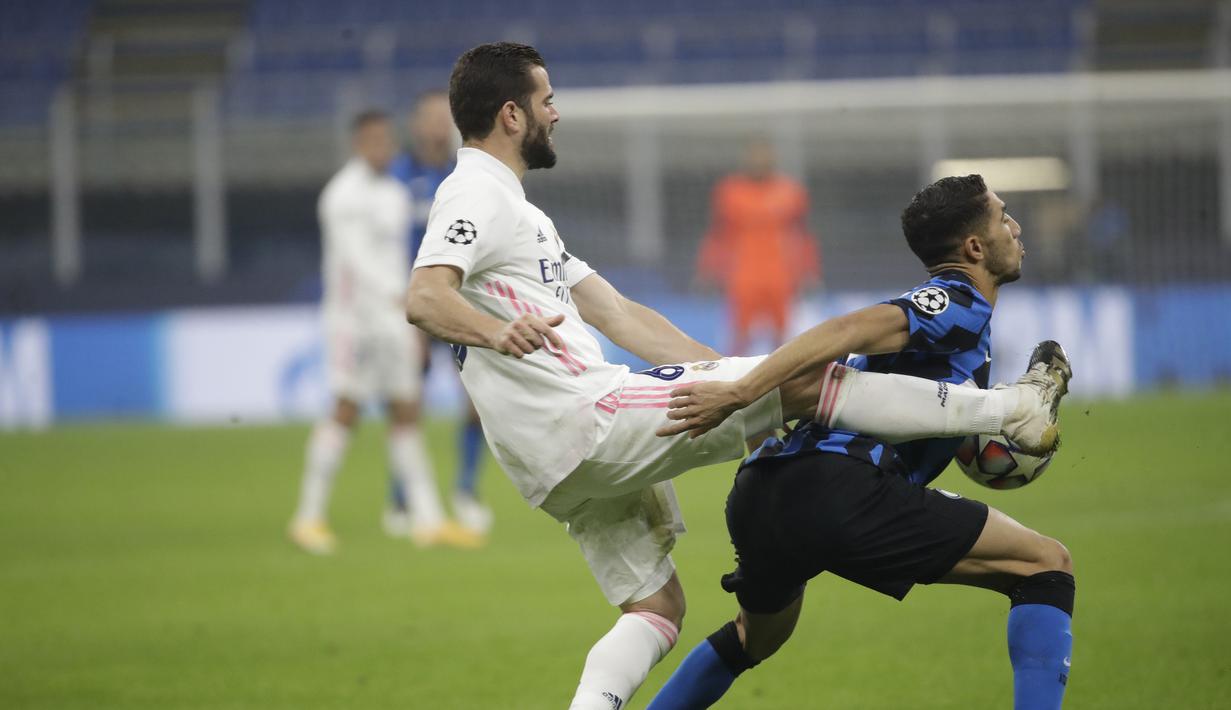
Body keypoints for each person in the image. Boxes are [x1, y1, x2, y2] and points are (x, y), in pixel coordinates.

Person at [406, 43, 1067, 710]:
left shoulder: (525, 217)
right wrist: (496, 331)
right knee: (810, 379)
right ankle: (1010, 409)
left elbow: (616, 311)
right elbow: (425, 297)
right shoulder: (472, 192)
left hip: (548, 459)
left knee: (658, 610)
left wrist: (729, 381)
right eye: (546, 100)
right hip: (583, 414)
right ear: (512, 115)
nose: (558, 112)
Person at [646, 175, 1075, 709]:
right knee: (1045, 565)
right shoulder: (957, 301)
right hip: (840, 488)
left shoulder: (956, 339)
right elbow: (849, 329)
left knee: (754, 636)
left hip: (766, 487)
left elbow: (909, 406)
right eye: (1004, 216)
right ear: (974, 247)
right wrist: (739, 393)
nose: (1015, 227)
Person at [288, 110, 479, 555]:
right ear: (357, 144)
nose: (381, 148)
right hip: (354, 323)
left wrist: (406, 313)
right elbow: (357, 265)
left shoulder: (393, 192)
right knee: (346, 409)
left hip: (394, 318)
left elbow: (395, 260)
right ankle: (308, 517)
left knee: (407, 410)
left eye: (385, 140)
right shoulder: (342, 196)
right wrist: (403, 299)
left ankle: (428, 520)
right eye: (372, 140)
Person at [384, 90, 494, 540]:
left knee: (477, 403)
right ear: (414, 125)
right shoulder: (394, 179)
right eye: (427, 117)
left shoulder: (463, 176)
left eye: (440, 118)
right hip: (412, 304)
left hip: (459, 302)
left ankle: (466, 492)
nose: (434, 126)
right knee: (409, 404)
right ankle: (401, 499)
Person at [695, 139, 819, 355]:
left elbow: (802, 234)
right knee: (739, 336)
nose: (759, 161)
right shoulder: (730, 192)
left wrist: (809, 271)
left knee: (782, 338)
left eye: (764, 156)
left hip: (780, 275)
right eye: (754, 156)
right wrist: (707, 270)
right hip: (743, 276)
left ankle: (782, 383)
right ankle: (733, 382)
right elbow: (717, 234)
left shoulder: (790, 191)